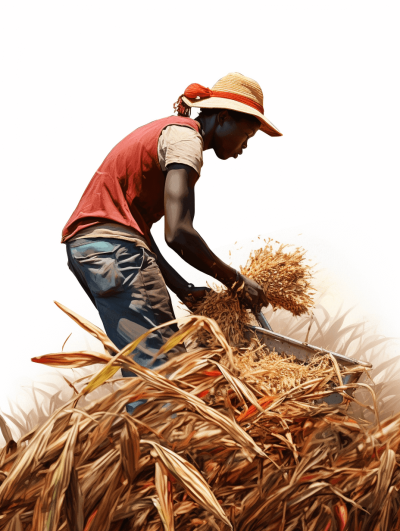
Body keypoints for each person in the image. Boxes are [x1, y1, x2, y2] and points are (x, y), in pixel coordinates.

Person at [62, 72, 282, 412]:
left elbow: (138, 232)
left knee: (146, 369)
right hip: (115, 252)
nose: (245, 146)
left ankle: (141, 453)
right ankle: (161, 456)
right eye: (247, 134)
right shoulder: (185, 140)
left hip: (93, 250)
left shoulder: (169, 132)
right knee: (168, 378)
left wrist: (184, 289)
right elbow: (178, 233)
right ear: (223, 118)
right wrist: (236, 282)